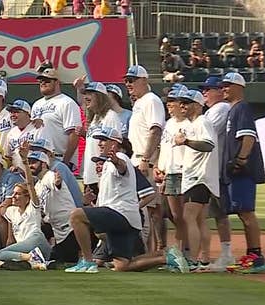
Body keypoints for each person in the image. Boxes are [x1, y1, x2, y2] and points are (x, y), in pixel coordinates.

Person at [67, 127, 187, 273]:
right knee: (122, 266)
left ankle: (87, 261)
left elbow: (122, 167)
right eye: (99, 140)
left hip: (120, 214)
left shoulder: (120, 158)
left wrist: (116, 161)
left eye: (104, 140)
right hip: (126, 219)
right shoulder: (108, 165)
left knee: (76, 215)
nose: (100, 144)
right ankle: (166, 257)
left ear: (115, 143)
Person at [220, 72, 265, 274]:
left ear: (239, 87)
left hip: (243, 171)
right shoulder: (233, 110)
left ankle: (256, 257)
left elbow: (248, 136)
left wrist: (241, 159)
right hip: (236, 171)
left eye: (228, 85)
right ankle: (251, 254)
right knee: (242, 212)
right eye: (222, 85)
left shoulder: (242, 108)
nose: (224, 88)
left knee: (246, 212)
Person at [173, 90, 218, 271]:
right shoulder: (194, 124)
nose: (183, 105)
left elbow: (208, 145)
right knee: (199, 219)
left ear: (198, 105)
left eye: (187, 102)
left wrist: (186, 142)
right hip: (198, 176)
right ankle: (204, 258)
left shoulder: (202, 122)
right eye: (182, 102)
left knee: (188, 217)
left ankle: (192, 259)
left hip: (199, 177)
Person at [124, 65, 165, 252]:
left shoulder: (151, 100)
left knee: (152, 209)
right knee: (146, 210)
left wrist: (146, 159)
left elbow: (155, 130)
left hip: (145, 159)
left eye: (132, 80)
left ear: (144, 80)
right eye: (126, 80)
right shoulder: (140, 102)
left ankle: (159, 251)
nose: (128, 84)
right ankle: (149, 252)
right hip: (138, 158)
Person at [0, 145, 50, 269]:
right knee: (3, 256)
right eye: (13, 193)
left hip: (36, 240)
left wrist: (25, 162)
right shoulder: (11, 211)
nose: (14, 196)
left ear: (27, 197)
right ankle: (39, 262)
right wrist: (5, 203)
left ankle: (31, 258)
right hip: (26, 247)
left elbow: (29, 184)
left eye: (18, 194)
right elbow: (2, 210)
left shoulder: (33, 207)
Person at [26, 142, 80, 264]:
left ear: (44, 164)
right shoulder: (38, 185)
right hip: (57, 229)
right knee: (57, 261)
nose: (30, 166)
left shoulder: (50, 176)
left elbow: (56, 184)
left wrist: (57, 182)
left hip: (69, 227)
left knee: (68, 261)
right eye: (29, 163)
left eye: (34, 162)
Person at [199, 76, 233, 271]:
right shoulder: (213, 110)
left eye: (209, 89)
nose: (205, 92)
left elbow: (205, 134)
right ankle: (223, 253)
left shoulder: (220, 109)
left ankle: (225, 254)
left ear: (220, 91)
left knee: (217, 213)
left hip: (215, 169)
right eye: (204, 89)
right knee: (215, 214)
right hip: (212, 169)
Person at [156, 87, 190, 253]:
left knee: (183, 216)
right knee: (174, 215)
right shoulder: (169, 124)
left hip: (184, 173)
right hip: (169, 173)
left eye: (172, 101)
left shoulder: (189, 123)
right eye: (168, 101)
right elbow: (165, 148)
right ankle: (180, 249)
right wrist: (160, 167)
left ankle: (186, 249)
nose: (169, 104)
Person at [73, 80, 122, 194]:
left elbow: (114, 143)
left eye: (90, 94)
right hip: (90, 174)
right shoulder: (95, 119)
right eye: (85, 94)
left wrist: (104, 169)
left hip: (102, 174)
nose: (86, 97)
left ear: (100, 97)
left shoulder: (111, 116)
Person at [31, 67, 81, 169]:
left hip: (59, 158)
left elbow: (74, 134)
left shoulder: (67, 102)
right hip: (38, 159)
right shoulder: (36, 104)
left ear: (57, 82)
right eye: (41, 81)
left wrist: (65, 162)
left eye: (47, 81)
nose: (43, 83)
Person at [5, 99, 38, 168]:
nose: (12, 115)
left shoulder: (37, 129)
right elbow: (8, 157)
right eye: (11, 112)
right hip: (16, 173)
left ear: (27, 113)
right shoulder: (11, 133)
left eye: (16, 112)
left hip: (34, 173)